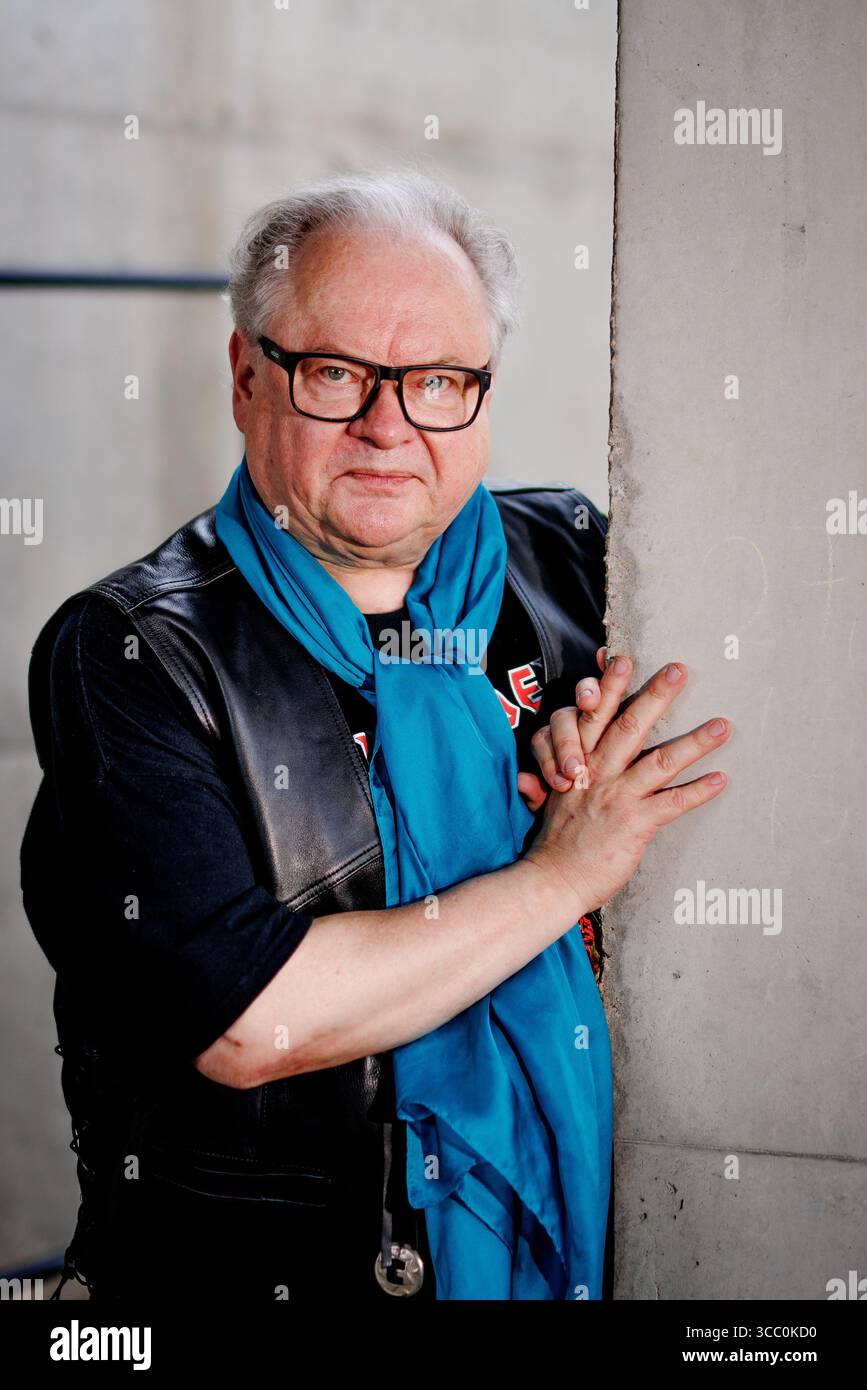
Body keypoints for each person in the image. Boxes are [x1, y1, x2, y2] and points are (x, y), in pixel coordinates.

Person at [20, 167, 731, 1302]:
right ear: (248, 377)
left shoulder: (579, 566)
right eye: (337, 373)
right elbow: (252, 1020)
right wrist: (560, 874)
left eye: (440, 379)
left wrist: (573, 767)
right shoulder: (134, 655)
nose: (390, 426)